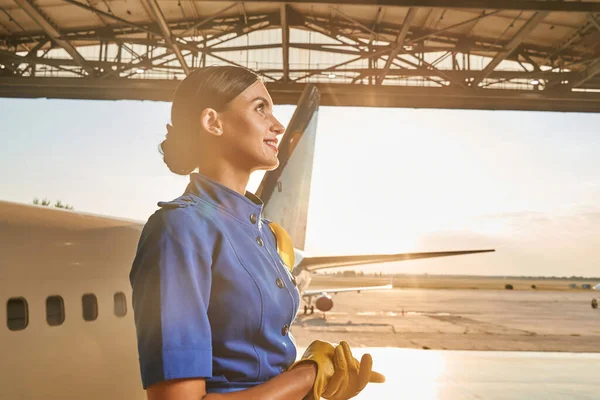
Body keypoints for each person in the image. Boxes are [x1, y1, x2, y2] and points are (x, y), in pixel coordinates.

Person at [129, 65, 383, 400]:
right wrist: (307, 375)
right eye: (260, 108)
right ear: (212, 122)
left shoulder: (262, 232)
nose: (277, 125)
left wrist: (322, 383)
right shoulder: (179, 229)